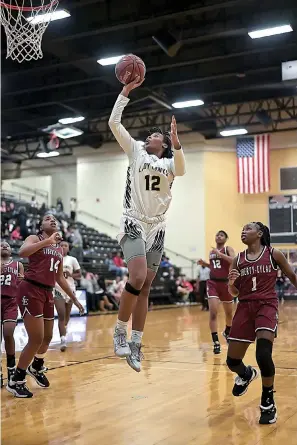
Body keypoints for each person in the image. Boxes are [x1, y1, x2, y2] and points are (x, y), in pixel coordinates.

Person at [108, 75, 186, 372]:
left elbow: (182, 167)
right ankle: (119, 331)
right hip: (133, 221)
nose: (151, 135)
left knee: (146, 287)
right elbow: (115, 124)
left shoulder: (169, 163)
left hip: (157, 227)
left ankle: (136, 342)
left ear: (163, 145)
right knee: (137, 276)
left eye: (157, 135)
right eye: (151, 134)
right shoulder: (135, 151)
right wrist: (125, 93)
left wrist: (177, 144)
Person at [6, 214, 84, 398]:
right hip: (30, 289)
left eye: (55, 219)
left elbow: (59, 278)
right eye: (48, 219)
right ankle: (16, 380)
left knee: (48, 337)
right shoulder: (35, 238)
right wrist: (47, 240)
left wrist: (74, 298)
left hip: (48, 292)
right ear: (41, 225)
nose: (53, 220)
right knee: (36, 338)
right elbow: (23, 252)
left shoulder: (57, 249)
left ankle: (36, 366)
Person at [227, 222, 297, 425]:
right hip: (244, 307)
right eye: (242, 228)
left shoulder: (274, 254)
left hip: (267, 305)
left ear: (259, 233)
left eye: (248, 228)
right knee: (232, 362)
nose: (243, 230)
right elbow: (234, 293)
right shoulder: (237, 260)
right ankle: (247, 374)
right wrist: (231, 284)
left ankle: (268, 401)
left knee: (263, 353)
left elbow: (292, 276)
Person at [198, 230, 235, 354]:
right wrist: (205, 264)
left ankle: (227, 331)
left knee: (229, 314)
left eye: (222, 235)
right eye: (217, 235)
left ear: (226, 238)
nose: (218, 236)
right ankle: (216, 342)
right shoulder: (211, 252)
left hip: (226, 284)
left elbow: (234, 261)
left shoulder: (227, 249)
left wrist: (219, 253)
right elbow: (215, 267)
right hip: (213, 283)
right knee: (213, 312)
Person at [0, 242, 24, 388]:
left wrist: (22, 280)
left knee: (8, 333)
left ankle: (11, 369)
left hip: (11, 302)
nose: (4, 246)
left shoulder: (18, 265)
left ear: (11, 251)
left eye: (7, 246)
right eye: (1, 245)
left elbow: (22, 282)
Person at [54, 241, 81, 352]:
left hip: (70, 289)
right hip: (57, 289)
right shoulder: (54, 258)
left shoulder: (72, 260)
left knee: (66, 316)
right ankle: (63, 339)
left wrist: (71, 275)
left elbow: (79, 275)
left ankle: (64, 329)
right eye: (61, 245)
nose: (63, 247)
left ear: (68, 249)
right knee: (61, 314)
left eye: (65, 246)